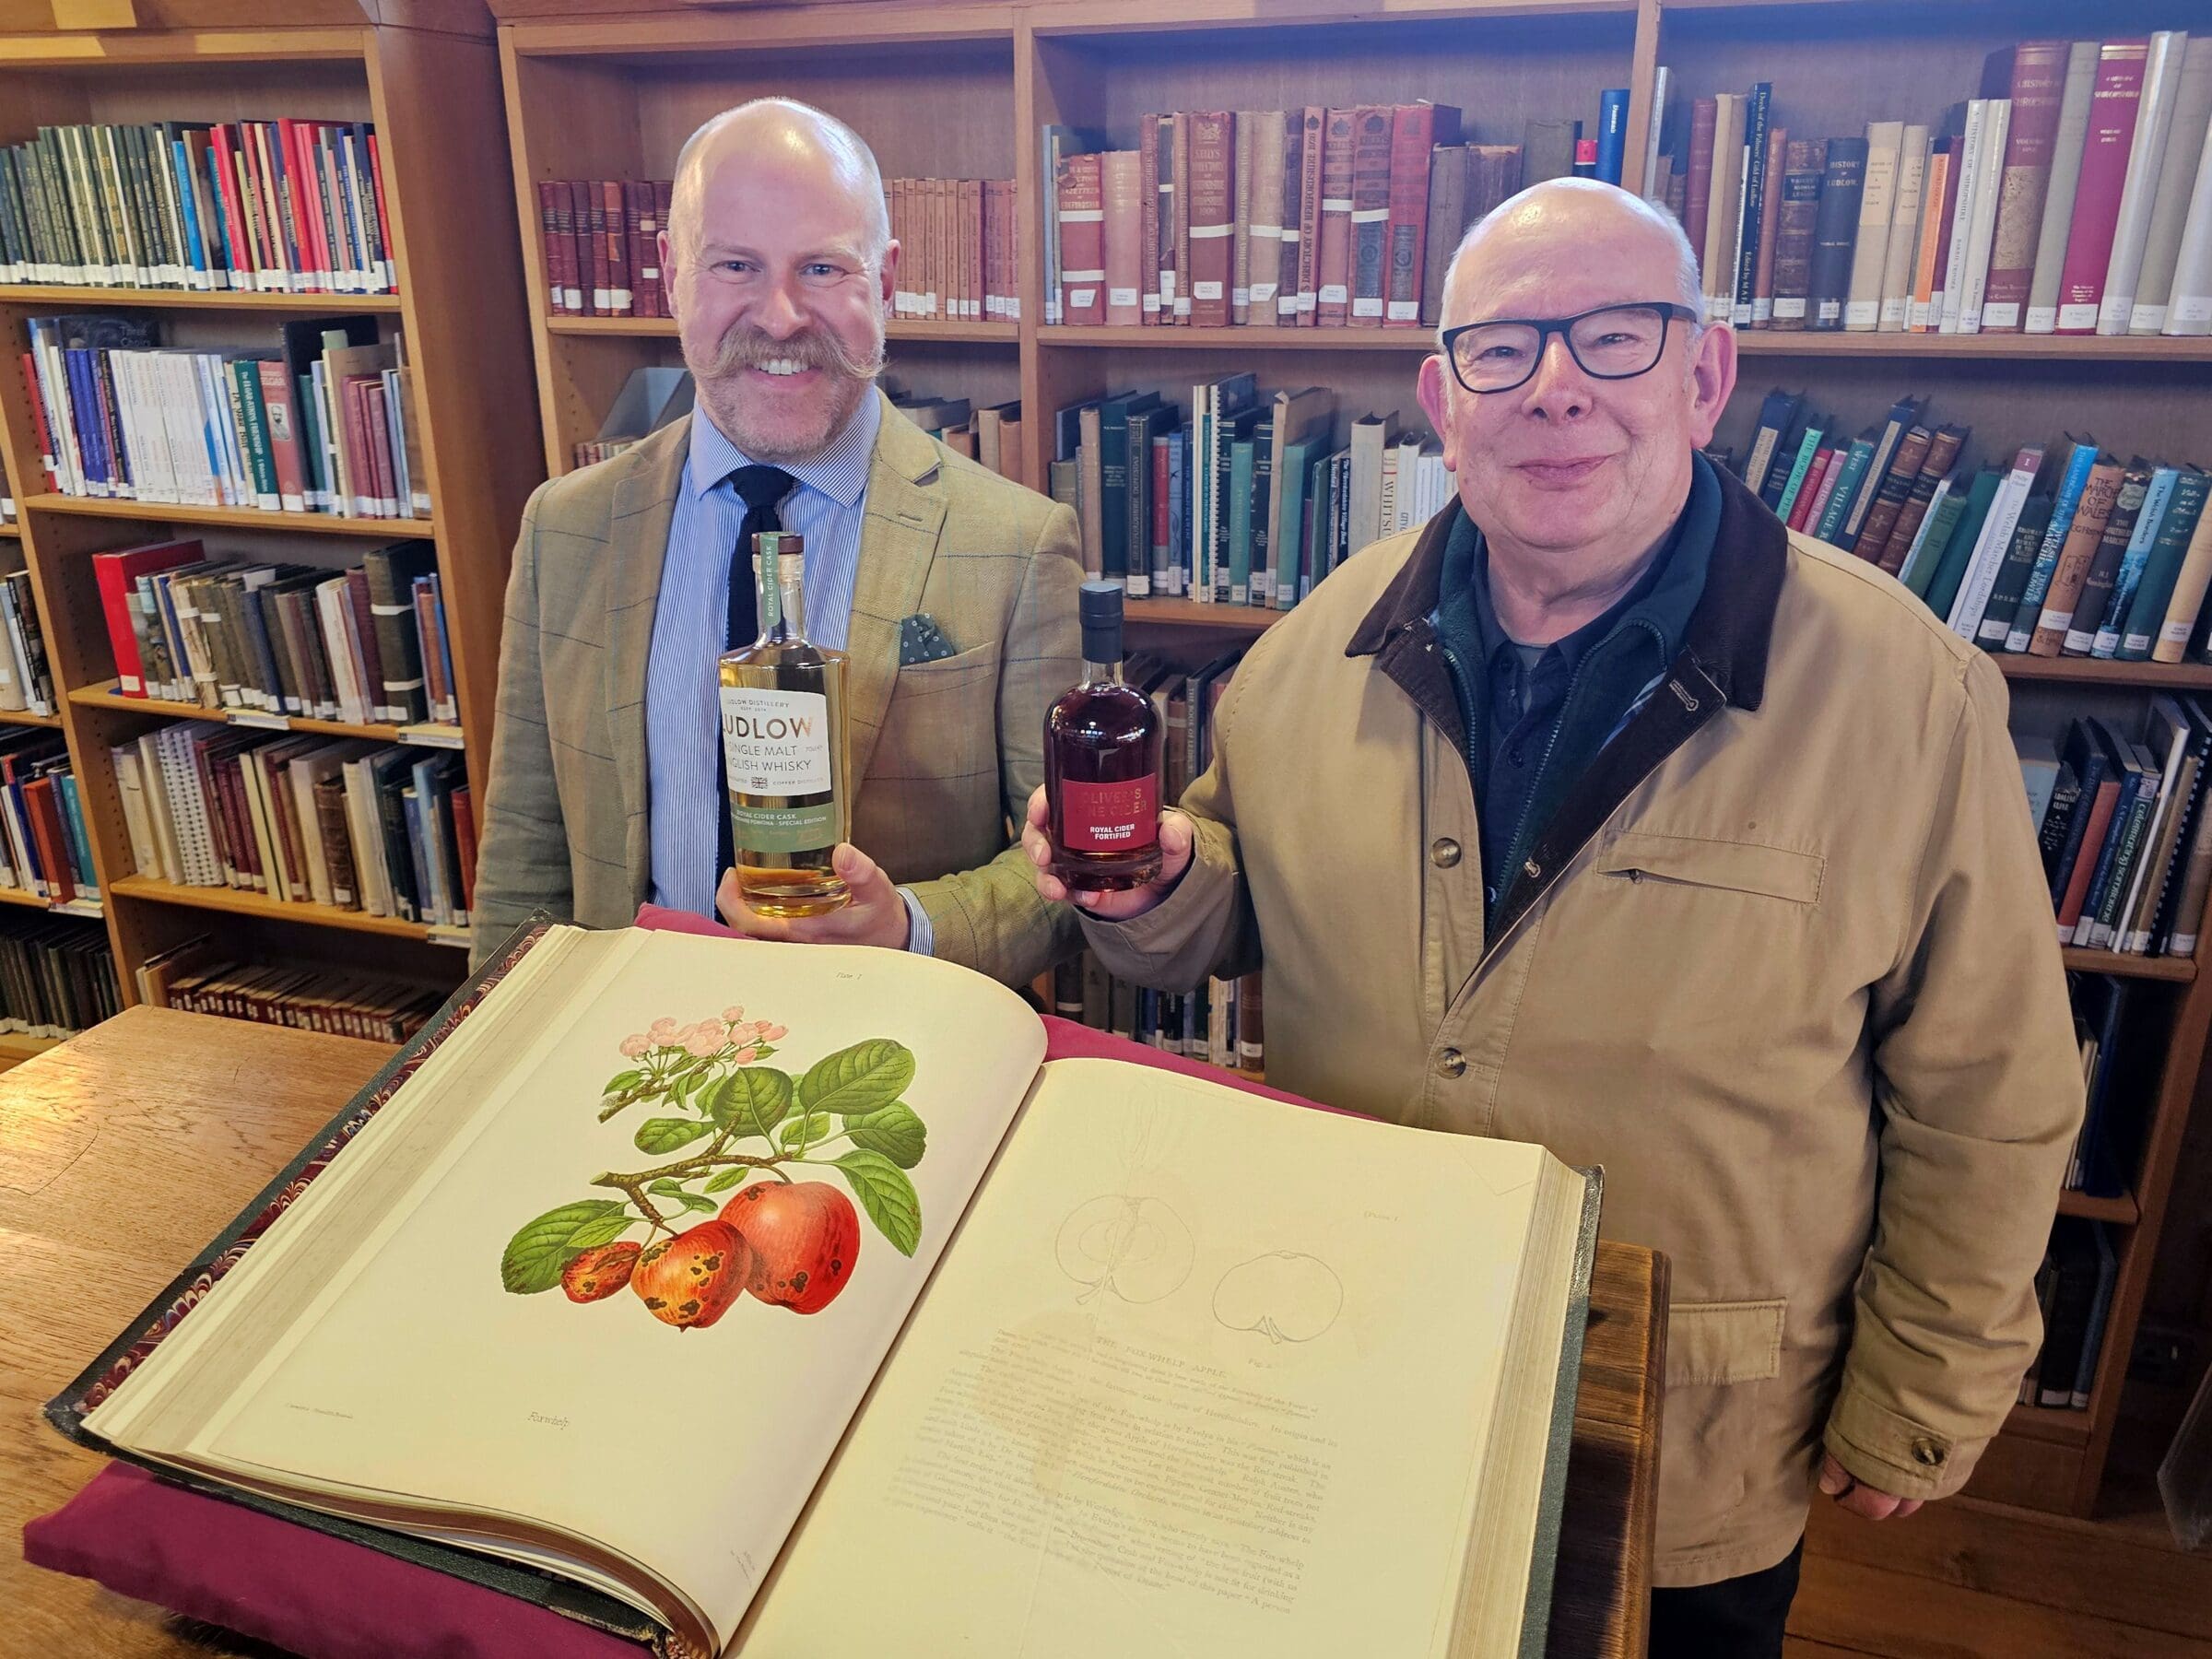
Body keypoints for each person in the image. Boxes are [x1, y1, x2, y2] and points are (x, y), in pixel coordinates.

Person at [1020, 179, 2083, 1657]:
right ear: (1440, 401)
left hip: (1678, 1429)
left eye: (1616, 337)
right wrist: (1148, 885)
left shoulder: (1908, 695)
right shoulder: (1312, 648)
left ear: (1706, 376)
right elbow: (1233, 904)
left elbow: (1993, 1089)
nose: (1559, 390)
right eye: (1504, 350)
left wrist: (1927, 1392)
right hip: (1341, 1359)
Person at [473, 99, 1081, 985]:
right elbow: (526, 851)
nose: (783, 315)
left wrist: (908, 928)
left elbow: (1059, 871)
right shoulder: (565, 527)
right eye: (735, 265)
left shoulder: (1020, 544)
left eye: (824, 267)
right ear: (674, 275)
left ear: (886, 277)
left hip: (889, 1056)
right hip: (635, 1046)